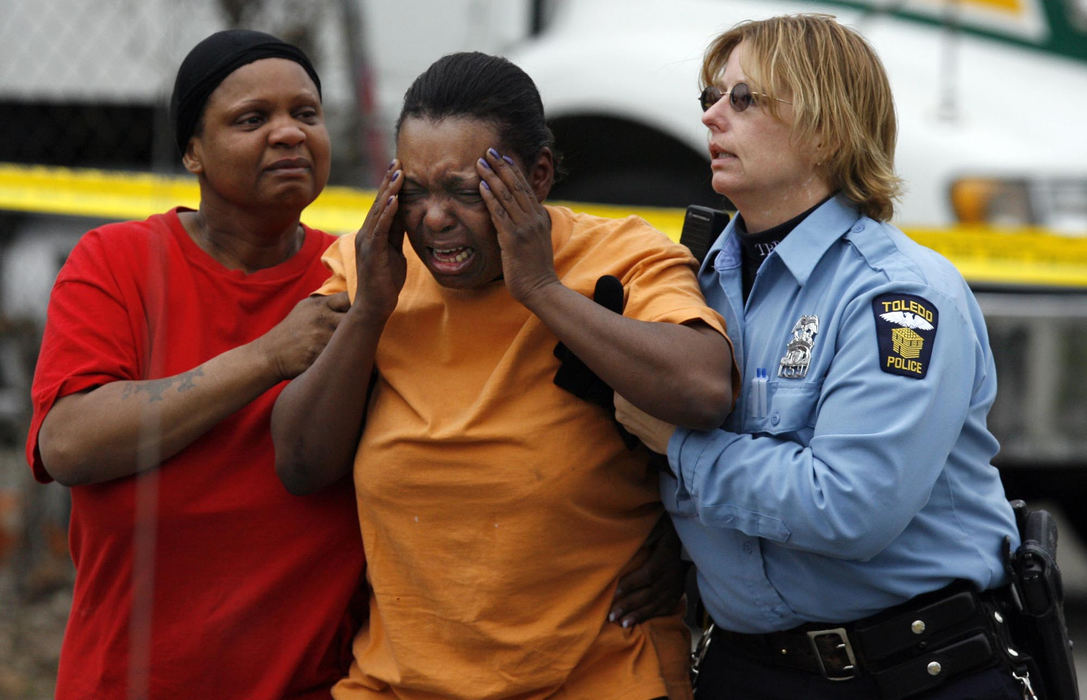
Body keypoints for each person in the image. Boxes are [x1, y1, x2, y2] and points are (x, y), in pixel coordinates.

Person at [271, 51, 737, 700]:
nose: (432, 218)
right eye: (412, 189)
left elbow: (704, 391)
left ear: (537, 175)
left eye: (465, 190)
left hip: (599, 679)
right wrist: (372, 307)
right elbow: (298, 462)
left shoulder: (620, 256)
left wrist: (542, 288)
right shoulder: (372, 263)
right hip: (394, 685)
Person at [614, 14, 1025, 700]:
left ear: (827, 128)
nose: (713, 116)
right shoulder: (691, 282)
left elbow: (849, 506)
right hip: (742, 669)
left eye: (743, 99)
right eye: (710, 98)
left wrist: (681, 448)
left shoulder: (898, 296)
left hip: (908, 675)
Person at [25, 29, 367, 698]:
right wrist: (269, 355)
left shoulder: (359, 275)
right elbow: (67, 443)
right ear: (193, 152)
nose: (290, 133)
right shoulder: (116, 262)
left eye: (306, 113)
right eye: (251, 119)